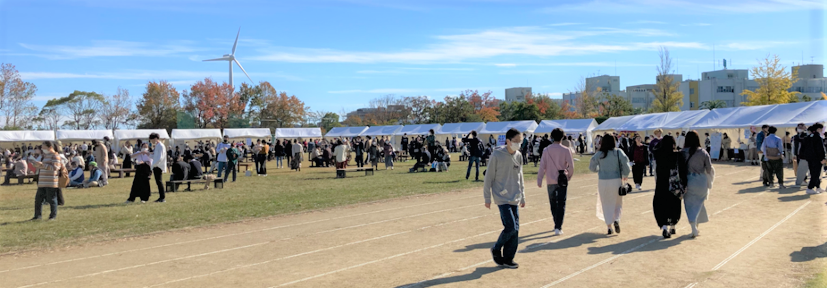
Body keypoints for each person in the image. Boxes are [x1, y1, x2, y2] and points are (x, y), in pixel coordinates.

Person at [484, 128, 525, 269]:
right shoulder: (497, 155)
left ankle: (508, 258)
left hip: (515, 196)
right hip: (501, 196)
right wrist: (487, 197)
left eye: (521, 141)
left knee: (516, 229)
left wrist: (523, 195)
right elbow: (488, 177)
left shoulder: (519, 155)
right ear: (508, 141)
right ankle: (496, 248)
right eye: (516, 141)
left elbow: (520, 176)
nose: (519, 144)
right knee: (510, 226)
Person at [589, 135, 631, 235]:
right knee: (618, 203)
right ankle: (617, 219)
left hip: (603, 181)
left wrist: (600, 169)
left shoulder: (599, 153)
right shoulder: (618, 152)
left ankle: (609, 226)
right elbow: (626, 165)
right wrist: (625, 174)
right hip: (616, 180)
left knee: (606, 203)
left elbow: (592, 167)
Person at [537, 128, 574, 236]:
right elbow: (571, 166)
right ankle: (558, 226)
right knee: (561, 203)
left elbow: (542, 166)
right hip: (562, 179)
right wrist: (569, 176)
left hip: (550, 179)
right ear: (562, 137)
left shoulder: (546, 150)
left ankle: (556, 223)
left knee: (553, 203)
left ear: (552, 137)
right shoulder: (566, 150)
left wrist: (539, 179)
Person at [681, 131, 715, 238]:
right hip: (701, 180)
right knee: (699, 203)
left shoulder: (682, 152)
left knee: (689, 205)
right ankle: (696, 226)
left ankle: (693, 227)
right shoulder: (703, 152)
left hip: (688, 180)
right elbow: (709, 168)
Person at [652, 135, 684, 238]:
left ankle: (664, 227)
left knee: (660, 205)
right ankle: (673, 226)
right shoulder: (677, 155)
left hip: (661, 183)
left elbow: (654, 148)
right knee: (674, 204)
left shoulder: (658, 154)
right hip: (673, 184)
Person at [30, 141, 64, 220]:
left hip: (51, 181)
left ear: (50, 147)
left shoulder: (55, 156)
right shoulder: (45, 156)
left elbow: (55, 168)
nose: (42, 149)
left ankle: (52, 216)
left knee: (52, 199)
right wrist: (37, 165)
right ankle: (37, 216)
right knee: (38, 199)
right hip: (42, 181)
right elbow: (44, 166)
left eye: (44, 147)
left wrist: (42, 165)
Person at [801, 124, 826, 194]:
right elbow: (820, 149)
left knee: (813, 172)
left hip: (809, 158)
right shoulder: (818, 137)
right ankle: (810, 187)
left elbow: (803, 149)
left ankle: (818, 187)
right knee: (816, 173)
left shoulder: (808, 137)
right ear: (818, 129)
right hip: (817, 158)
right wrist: (822, 158)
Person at [149, 133, 167, 202]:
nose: (152, 141)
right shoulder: (157, 146)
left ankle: (162, 197)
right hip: (156, 165)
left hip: (158, 166)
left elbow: (160, 157)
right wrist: (149, 155)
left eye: (152, 140)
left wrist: (154, 165)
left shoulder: (160, 146)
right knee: (158, 182)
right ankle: (161, 197)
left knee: (159, 182)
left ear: (155, 138)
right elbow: (155, 156)